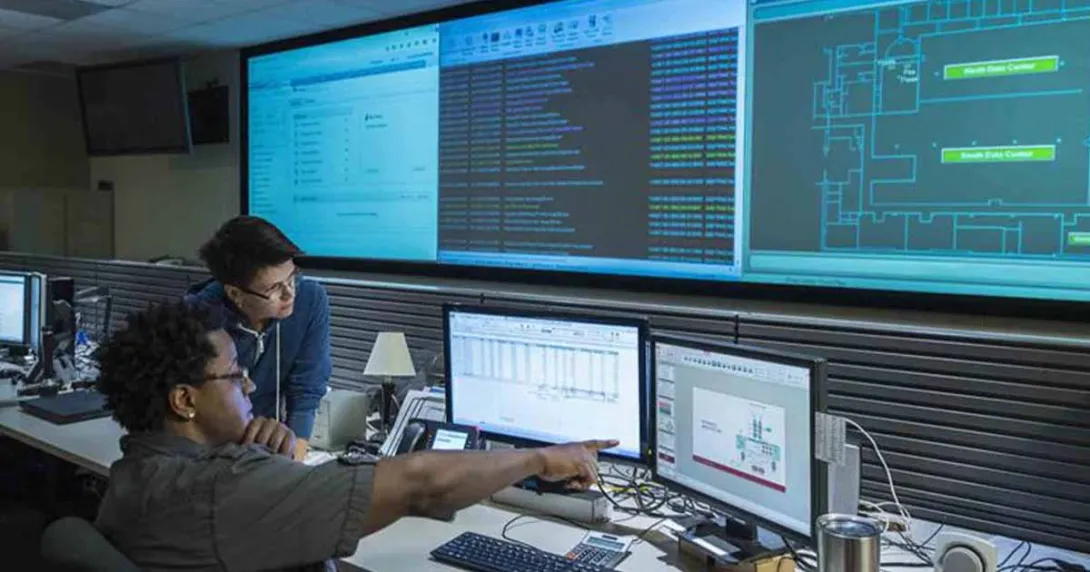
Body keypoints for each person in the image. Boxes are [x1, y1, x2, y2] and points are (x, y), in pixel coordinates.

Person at [94, 302, 616, 572]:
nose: (250, 384)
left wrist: (252, 457)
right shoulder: (218, 490)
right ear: (184, 400)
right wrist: (544, 458)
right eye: (234, 375)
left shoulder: (135, 471)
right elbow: (418, 485)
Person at [186, 215, 328, 460]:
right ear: (235, 294)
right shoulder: (196, 318)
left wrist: (296, 460)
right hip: (212, 452)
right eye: (274, 288)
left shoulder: (310, 300)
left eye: (292, 277)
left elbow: (306, 391)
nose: (289, 294)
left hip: (274, 447)